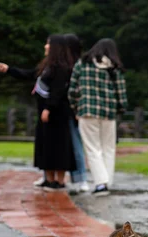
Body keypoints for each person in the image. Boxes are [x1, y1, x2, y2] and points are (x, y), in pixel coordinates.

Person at [0, 35, 76, 190]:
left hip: (57, 114)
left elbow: (58, 91)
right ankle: (49, 178)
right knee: (46, 145)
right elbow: (28, 74)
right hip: (44, 112)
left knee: (58, 146)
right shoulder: (46, 66)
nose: (45, 47)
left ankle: (59, 181)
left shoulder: (61, 68)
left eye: (48, 44)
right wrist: (9, 70)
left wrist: (48, 108)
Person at [68, 38, 128, 196]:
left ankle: (101, 184)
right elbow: (121, 94)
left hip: (87, 111)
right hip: (109, 113)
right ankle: (107, 181)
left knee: (93, 148)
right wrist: (120, 108)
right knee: (108, 148)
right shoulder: (114, 68)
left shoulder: (82, 64)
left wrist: (75, 107)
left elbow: (72, 89)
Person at [63, 33, 90, 193]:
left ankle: (81, 178)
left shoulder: (78, 65)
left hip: (74, 111)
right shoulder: (66, 64)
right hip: (66, 109)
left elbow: (77, 90)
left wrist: (76, 108)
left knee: (76, 145)